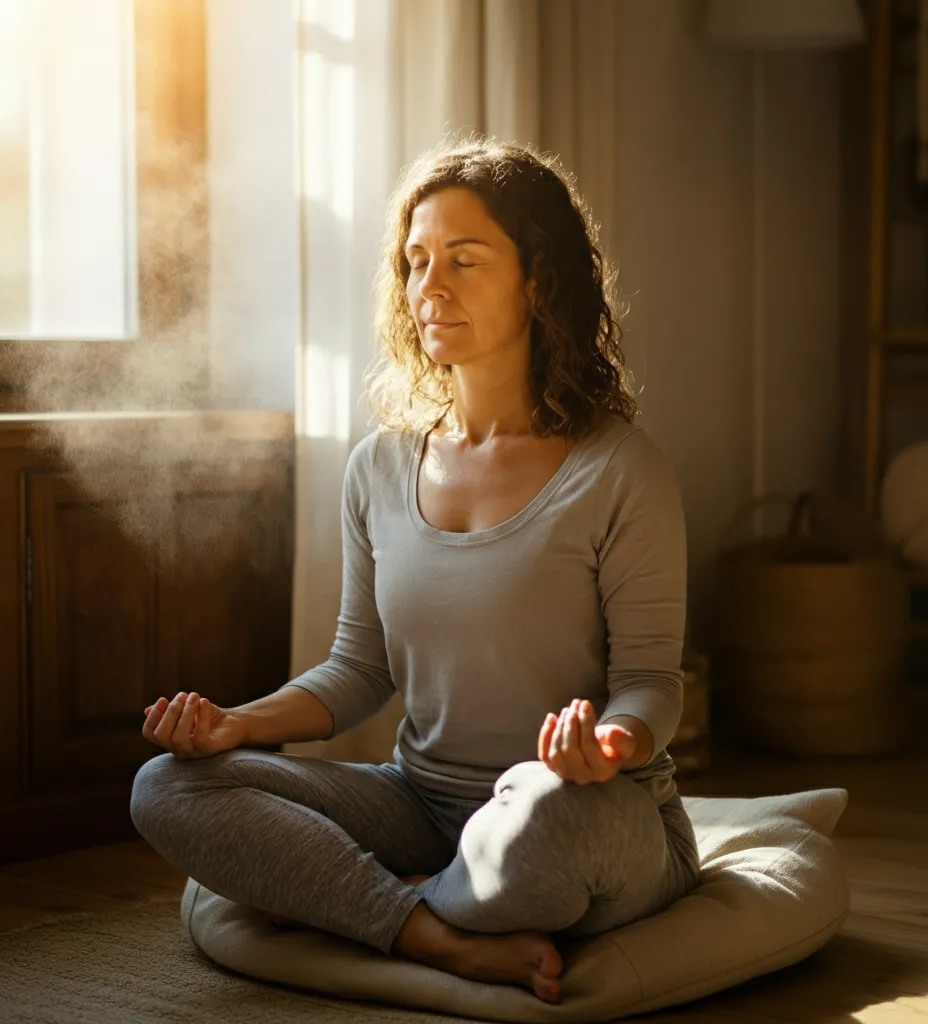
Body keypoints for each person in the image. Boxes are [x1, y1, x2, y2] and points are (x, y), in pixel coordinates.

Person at [130, 136, 700, 1005]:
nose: (429, 287)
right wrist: (233, 727)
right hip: (420, 807)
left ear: (538, 280)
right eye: (416, 261)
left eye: (464, 261)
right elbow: (358, 673)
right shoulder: (378, 468)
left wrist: (608, 748)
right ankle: (434, 933)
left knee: (542, 826)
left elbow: (653, 683)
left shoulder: (620, 470)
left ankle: (353, 905)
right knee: (167, 788)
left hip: (584, 811)